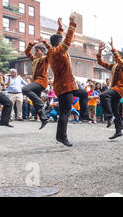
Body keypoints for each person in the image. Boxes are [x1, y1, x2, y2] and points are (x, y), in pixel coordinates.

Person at [40, 14, 89, 147]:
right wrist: (72, 24)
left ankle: (84, 115)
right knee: (65, 112)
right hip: (65, 86)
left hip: (68, 85)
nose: (63, 42)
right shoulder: (58, 52)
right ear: (59, 43)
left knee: (84, 93)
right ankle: (62, 136)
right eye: (61, 41)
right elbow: (67, 41)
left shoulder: (51, 51)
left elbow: (56, 39)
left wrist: (60, 28)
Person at [97, 38, 123, 138]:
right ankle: (118, 130)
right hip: (115, 89)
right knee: (115, 110)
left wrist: (113, 48)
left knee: (103, 95)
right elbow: (100, 62)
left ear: (120, 56)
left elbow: (119, 58)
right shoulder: (114, 66)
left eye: (115, 55)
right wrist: (100, 51)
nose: (113, 57)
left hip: (119, 89)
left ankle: (109, 116)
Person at [22, 40, 50, 129]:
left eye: (37, 50)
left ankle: (41, 102)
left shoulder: (45, 59)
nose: (35, 52)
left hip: (41, 82)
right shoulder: (34, 59)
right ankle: (44, 119)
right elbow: (26, 52)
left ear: (43, 52)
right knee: (35, 104)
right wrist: (31, 44)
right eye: (35, 50)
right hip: (36, 82)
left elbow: (51, 53)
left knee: (25, 89)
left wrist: (46, 43)